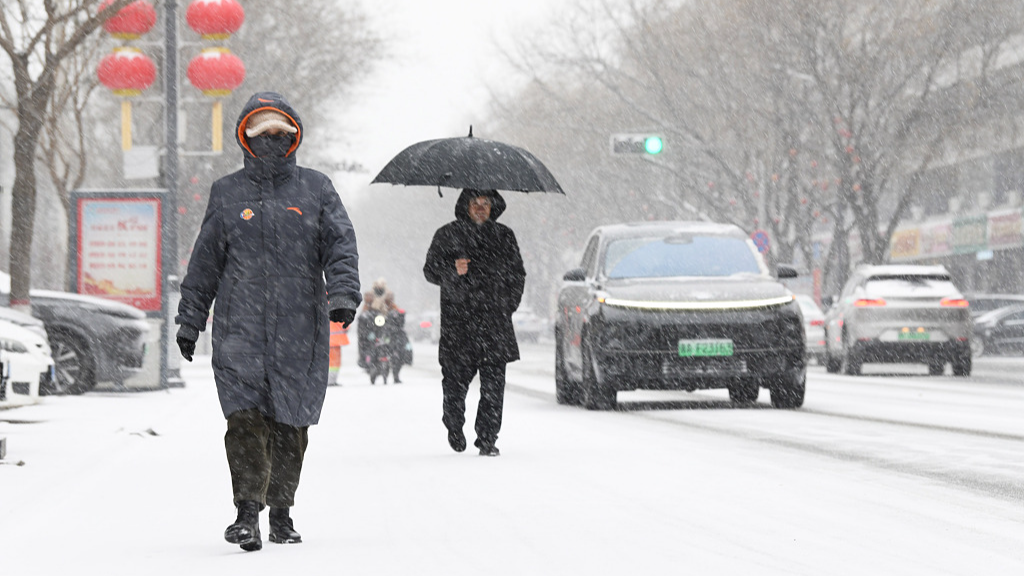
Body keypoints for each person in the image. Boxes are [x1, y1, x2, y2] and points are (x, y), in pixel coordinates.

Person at [174, 92, 360, 552]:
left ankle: (281, 511)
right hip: (240, 328)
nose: (273, 142)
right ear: (247, 138)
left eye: (281, 134)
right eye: (263, 135)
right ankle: (245, 513)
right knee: (244, 419)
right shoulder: (227, 193)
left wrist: (343, 294)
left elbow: (341, 245)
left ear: (294, 137)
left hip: (301, 326)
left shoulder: (317, 189)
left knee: (291, 423)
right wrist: (190, 319)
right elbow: (205, 262)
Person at [423, 189, 526, 457]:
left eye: (486, 204)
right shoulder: (448, 234)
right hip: (459, 324)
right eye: (475, 204)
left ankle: (488, 438)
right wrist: (451, 269)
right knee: (455, 384)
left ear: (493, 207)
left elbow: (518, 274)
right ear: (465, 207)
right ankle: (454, 425)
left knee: (494, 387)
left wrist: (507, 305)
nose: (481, 209)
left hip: (494, 323)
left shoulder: (504, 236)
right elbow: (430, 270)